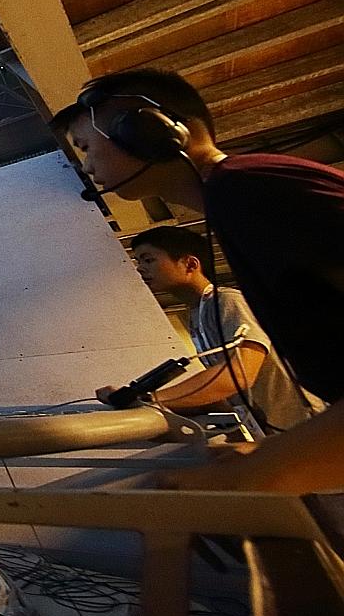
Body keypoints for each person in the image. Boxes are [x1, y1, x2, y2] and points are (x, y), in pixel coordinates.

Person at [53, 69, 344, 492]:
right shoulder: (238, 194)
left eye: (86, 147)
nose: (87, 164)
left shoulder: (250, 188)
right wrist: (268, 456)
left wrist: (260, 472)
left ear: (149, 131)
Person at [95, 225, 314, 433]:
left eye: (149, 260)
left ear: (190, 264)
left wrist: (153, 400)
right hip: (279, 433)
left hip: (309, 427)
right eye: (138, 261)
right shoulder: (196, 315)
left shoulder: (226, 300)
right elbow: (223, 395)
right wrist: (138, 400)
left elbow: (239, 374)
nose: (140, 268)